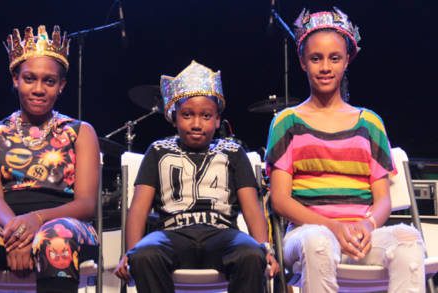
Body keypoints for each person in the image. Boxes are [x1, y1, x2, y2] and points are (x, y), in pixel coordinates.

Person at [266, 7, 425, 292]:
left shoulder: (370, 123)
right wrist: (332, 227)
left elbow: (382, 199)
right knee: (318, 242)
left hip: (359, 234)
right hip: (306, 233)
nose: (325, 67)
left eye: (334, 58)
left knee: (408, 240)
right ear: (303, 62)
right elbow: (279, 200)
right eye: (316, 58)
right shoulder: (287, 122)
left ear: (347, 61)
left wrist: (368, 225)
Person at [0, 25, 100, 292]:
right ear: (15, 79)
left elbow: (86, 204)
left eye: (49, 81)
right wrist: (19, 234)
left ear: (61, 85)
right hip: (3, 222)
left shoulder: (80, 132)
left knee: (55, 238)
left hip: (65, 222)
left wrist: (36, 221)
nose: (39, 89)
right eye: (29, 78)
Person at [114, 60, 279, 292]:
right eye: (187, 115)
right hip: (172, 235)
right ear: (174, 117)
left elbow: (252, 208)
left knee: (251, 254)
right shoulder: (158, 150)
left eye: (206, 116)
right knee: (145, 255)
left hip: (223, 235)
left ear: (218, 119)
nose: (197, 124)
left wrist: (265, 248)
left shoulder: (232, 152)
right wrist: (130, 252)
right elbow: (139, 208)